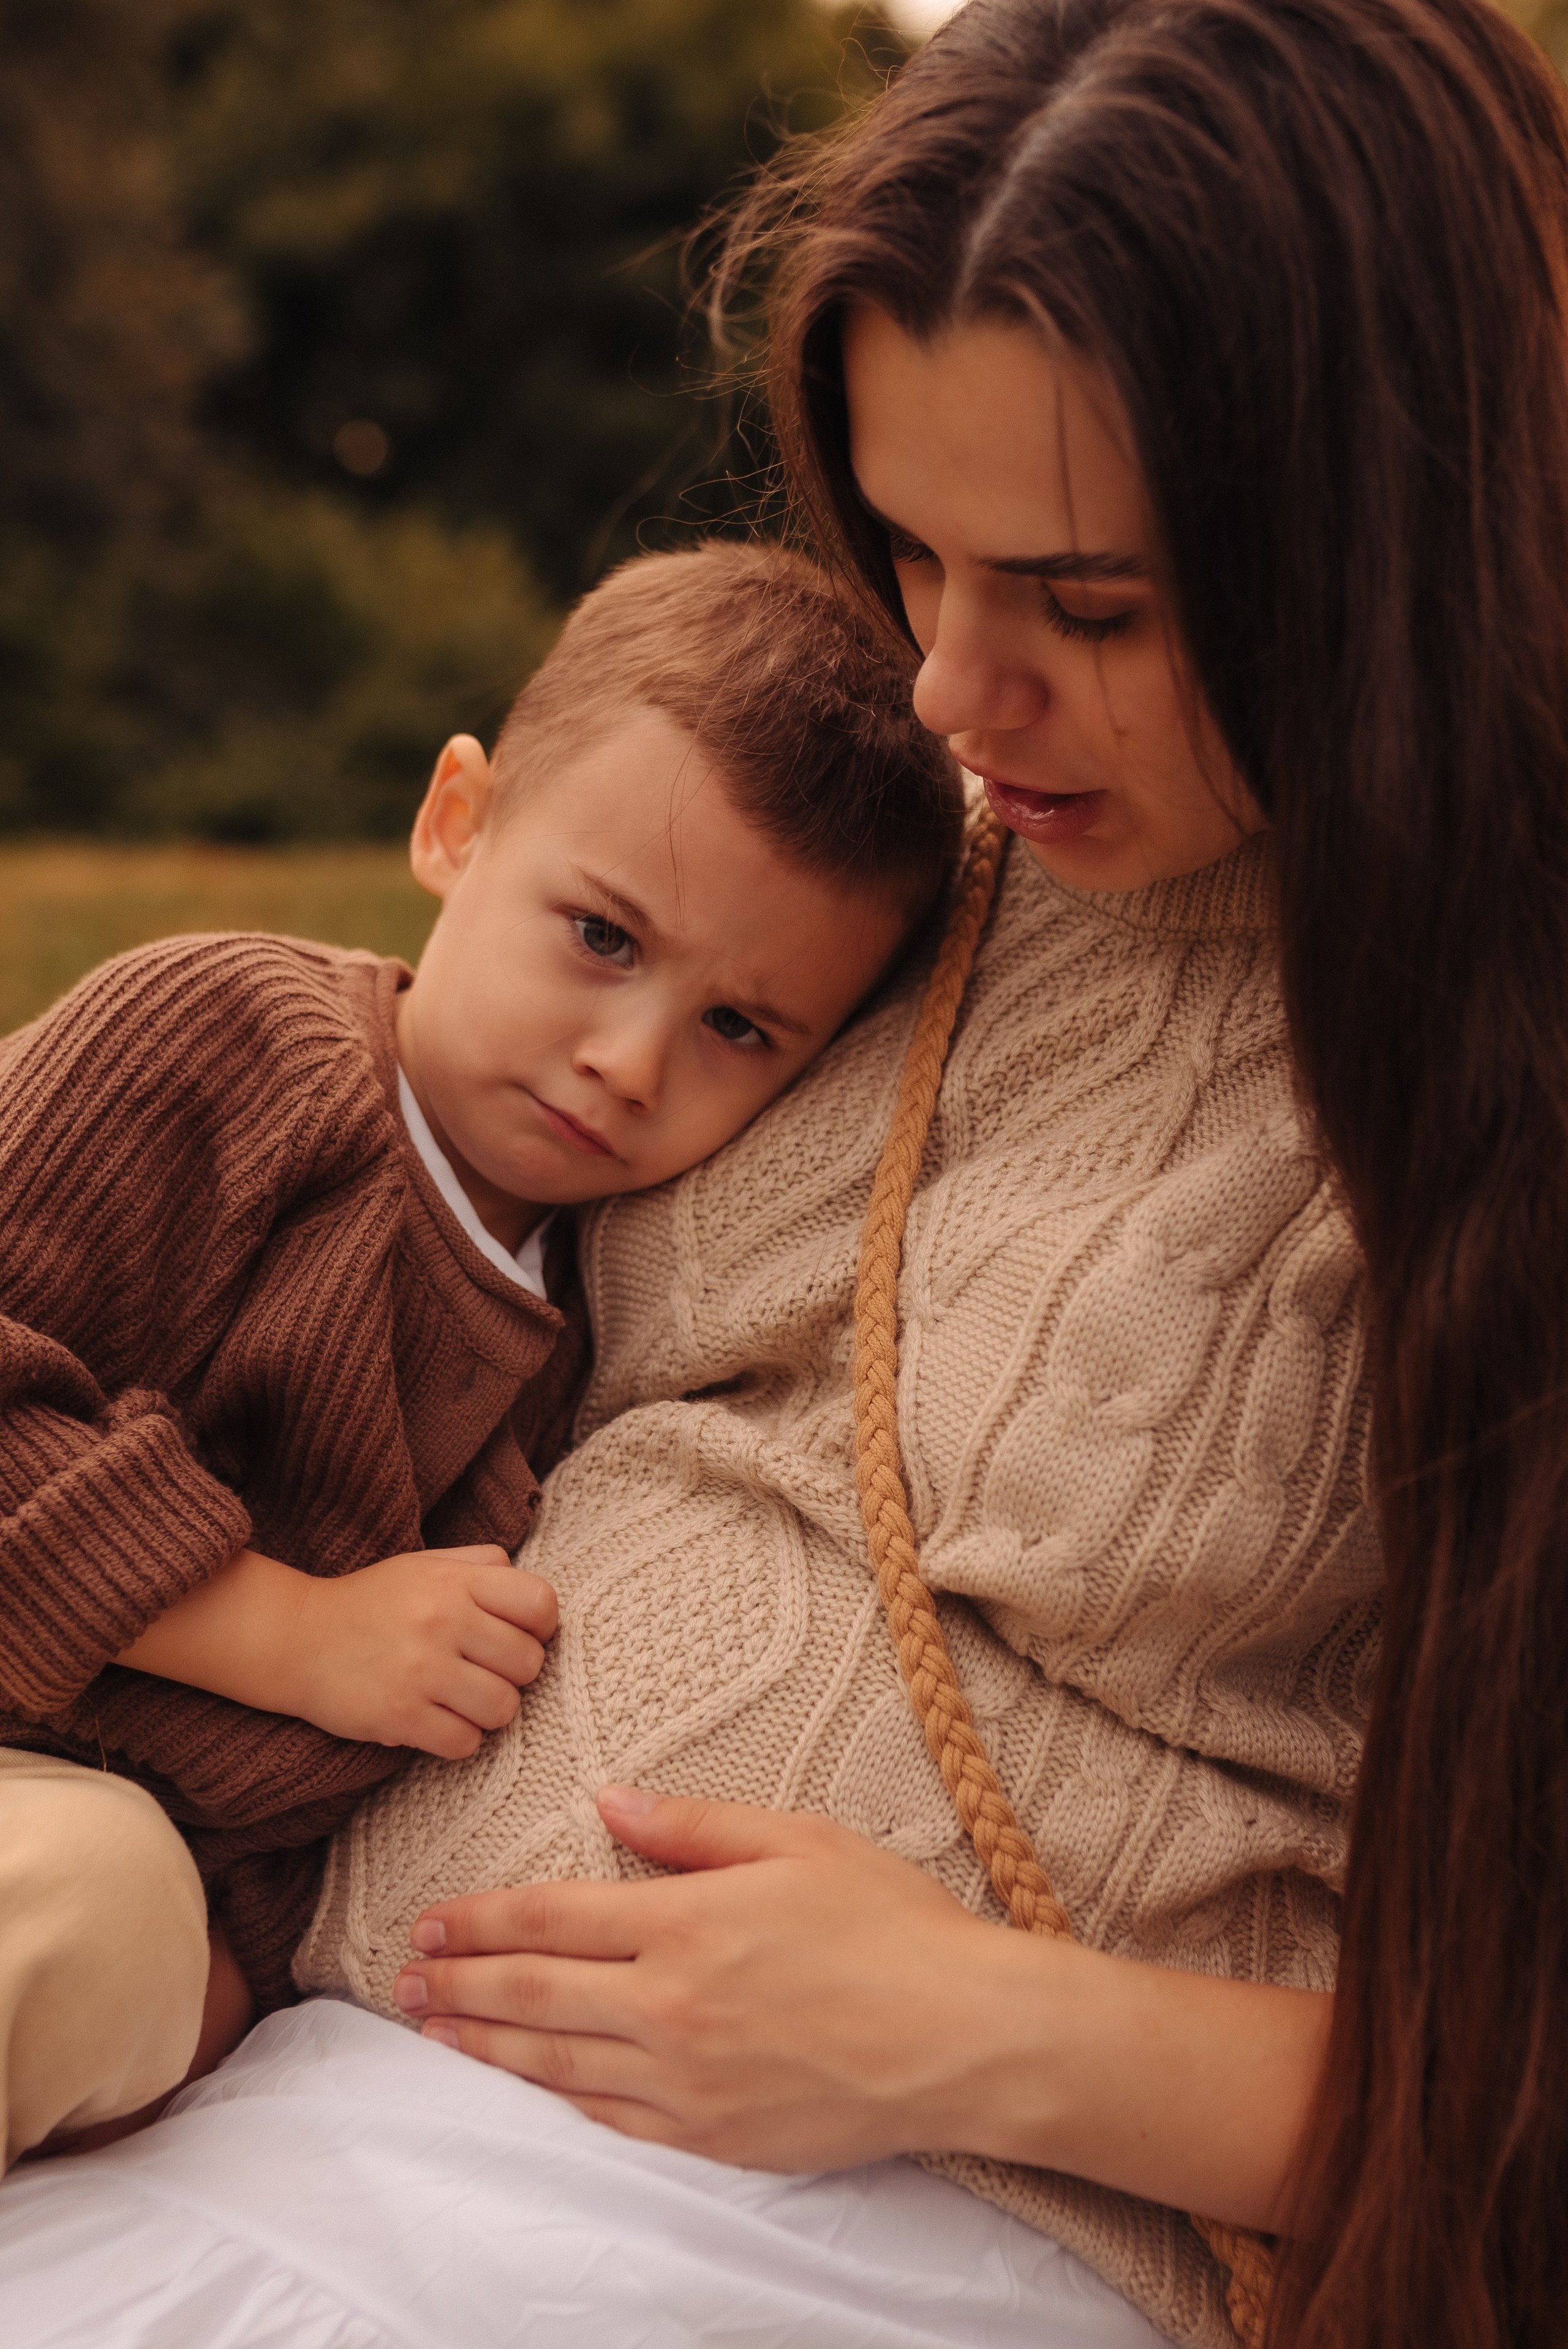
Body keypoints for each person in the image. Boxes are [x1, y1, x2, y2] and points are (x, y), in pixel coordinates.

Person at [1, 4, 1560, 2348]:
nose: (952, 692)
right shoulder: (879, 869)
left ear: (1402, 533)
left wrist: (986, 2032)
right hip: (272, 2067)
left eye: (1091, 604)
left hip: (869, 2230)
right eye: (913, 552)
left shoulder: (1498, 1044)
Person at [0, 538, 962, 2171]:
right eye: (602, 936)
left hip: (99, 1853)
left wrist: (224, 1984)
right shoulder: (230, 1044)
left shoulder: (599, 1329)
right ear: (459, 823)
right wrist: (289, 1632)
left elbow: (327, 1794)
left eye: (738, 1027)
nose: (630, 1060)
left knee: (112, 1919)